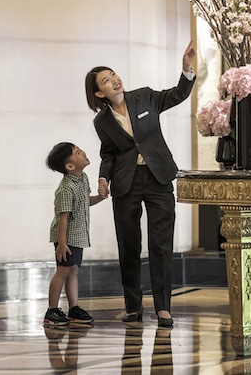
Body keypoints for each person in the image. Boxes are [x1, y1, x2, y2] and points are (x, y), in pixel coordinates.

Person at [84, 41, 196, 328]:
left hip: (158, 178)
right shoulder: (102, 122)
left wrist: (186, 69)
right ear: (99, 93)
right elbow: (108, 153)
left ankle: (163, 308)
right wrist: (102, 179)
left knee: (161, 245)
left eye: (114, 74)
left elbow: (177, 95)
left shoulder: (145, 97)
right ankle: (133, 306)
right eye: (106, 80)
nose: (114, 80)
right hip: (126, 184)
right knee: (129, 245)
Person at [44, 142, 108, 326]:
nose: (83, 153)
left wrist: (100, 198)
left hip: (78, 236)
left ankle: (74, 309)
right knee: (62, 271)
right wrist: (62, 244)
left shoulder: (83, 179)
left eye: (81, 150)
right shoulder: (66, 188)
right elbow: (63, 217)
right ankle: (52, 311)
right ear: (70, 166)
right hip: (67, 237)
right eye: (78, 153)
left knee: (73, 272)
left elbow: (84, 201)